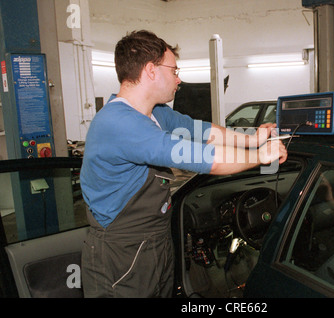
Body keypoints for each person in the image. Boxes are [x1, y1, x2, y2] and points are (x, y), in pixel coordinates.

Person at [80, 30, 287, 298]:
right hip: (121, 254)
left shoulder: (155, 113)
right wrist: (259, 157)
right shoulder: (118, 123)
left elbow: (201, 131)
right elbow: (201, 158)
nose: (179, 79)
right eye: (174, 70)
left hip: (154, 243)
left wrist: (253, 138)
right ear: (151, 70)